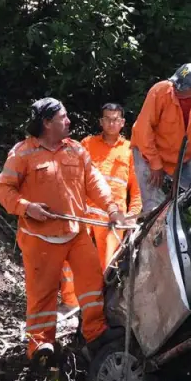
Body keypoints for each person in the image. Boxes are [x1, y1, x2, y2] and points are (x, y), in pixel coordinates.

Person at [0, 98, 122, 363]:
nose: (69, 122)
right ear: (47, 123)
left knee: (91, 285)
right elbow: (3, 189)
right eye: (63, 118)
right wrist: (27, 207)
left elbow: (95, 183)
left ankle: (94, 332)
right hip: (39, 238)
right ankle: (41, 345)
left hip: (76, 232)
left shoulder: (75, 150)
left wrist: (112, 209)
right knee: (42, 294)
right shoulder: (23, 153)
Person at [59, 102, 143, 336]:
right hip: (84, 212)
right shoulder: (87, 144)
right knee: (71, 259)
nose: (111, 123)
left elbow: (136, 190)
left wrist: (132, 217)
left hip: (111, 220)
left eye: (116, 119)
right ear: (101, 121)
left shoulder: (129, 150)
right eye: (107, 119)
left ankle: (99, 311)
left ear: (123, 123)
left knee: (107, 266)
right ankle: (70, 303)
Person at [131, 63, 191, 226]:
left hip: (183, 159)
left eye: (183, 87)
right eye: (177, 83)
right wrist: (155, 163)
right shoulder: (160, 91)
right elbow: (143, 130)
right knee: (154, 208)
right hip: (148, 153)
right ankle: (157, 235)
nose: (177, 89)